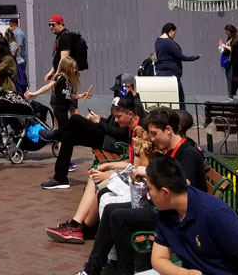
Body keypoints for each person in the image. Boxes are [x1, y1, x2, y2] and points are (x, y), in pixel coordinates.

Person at [76, 108, 209, 275]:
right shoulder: (168, 150)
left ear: (168, 130)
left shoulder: (188, 152)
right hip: (163, 206)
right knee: (111, 209)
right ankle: (94, 268)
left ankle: (122, 270)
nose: (152, 138)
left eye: (154, 133)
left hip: (177, 214)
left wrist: (147, 173)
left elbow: (184, 184)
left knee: (119, 217)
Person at [147, 156, 238, 275]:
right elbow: (158, 259)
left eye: (149, 189)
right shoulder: (166, 212)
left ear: (165, 192)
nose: (148, 194)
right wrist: (183, 273)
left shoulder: (215, 214)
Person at [38, 94, 140, 191]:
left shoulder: (137, 125)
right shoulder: (123, 115)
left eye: (119, 117)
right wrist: (99, 119)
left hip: (111, 142)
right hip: (107, 137)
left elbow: (119, 134)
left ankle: (55, 135)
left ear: (130, 114)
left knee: (75, 118)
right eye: (115, 117)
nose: (117, 120)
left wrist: (99, 122)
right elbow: (111, 124)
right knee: (68, 135)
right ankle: (60, 178)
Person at [154, 22, 199, 108]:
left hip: (161, 71)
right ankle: (182, 117)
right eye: (174, 33)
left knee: (166, 98)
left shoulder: (158, 41)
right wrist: (194, 58)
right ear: (171, 31)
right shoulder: (169, 42)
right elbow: (179, 56)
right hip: (171, 74)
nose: (174, 35)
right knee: (179, 97)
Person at [45, 14, 77, 127]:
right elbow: (58, 58)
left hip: (66, 77)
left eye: (53, 25)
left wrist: (57, 76)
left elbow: (64, 59)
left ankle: (68, 131)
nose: (51, 27)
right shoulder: (60, 36)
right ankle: (61, 130)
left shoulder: (65, 37)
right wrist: (51, 72)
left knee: (65, 104)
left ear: (60, 24)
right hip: (65, 76)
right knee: (65, 104)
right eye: (49, 25)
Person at [7, 18, 28, 92]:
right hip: (17, 60)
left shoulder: (18, 33)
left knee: (20, 80)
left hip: (19, 60)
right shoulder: (15, 33)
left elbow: (19, 46)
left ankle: (22, 94)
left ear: (12, 25)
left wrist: (12, 53)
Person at [218, 23, 237, 99]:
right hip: (228, 61)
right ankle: (230, 96)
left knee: (231, 79)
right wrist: (222, 47)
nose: (227, 34)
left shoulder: (236, 38)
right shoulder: (229, 38)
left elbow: (233, 49)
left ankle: (232, 96)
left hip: (233, 61)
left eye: (227, 33)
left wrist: (224, 45)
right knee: (229, 79)